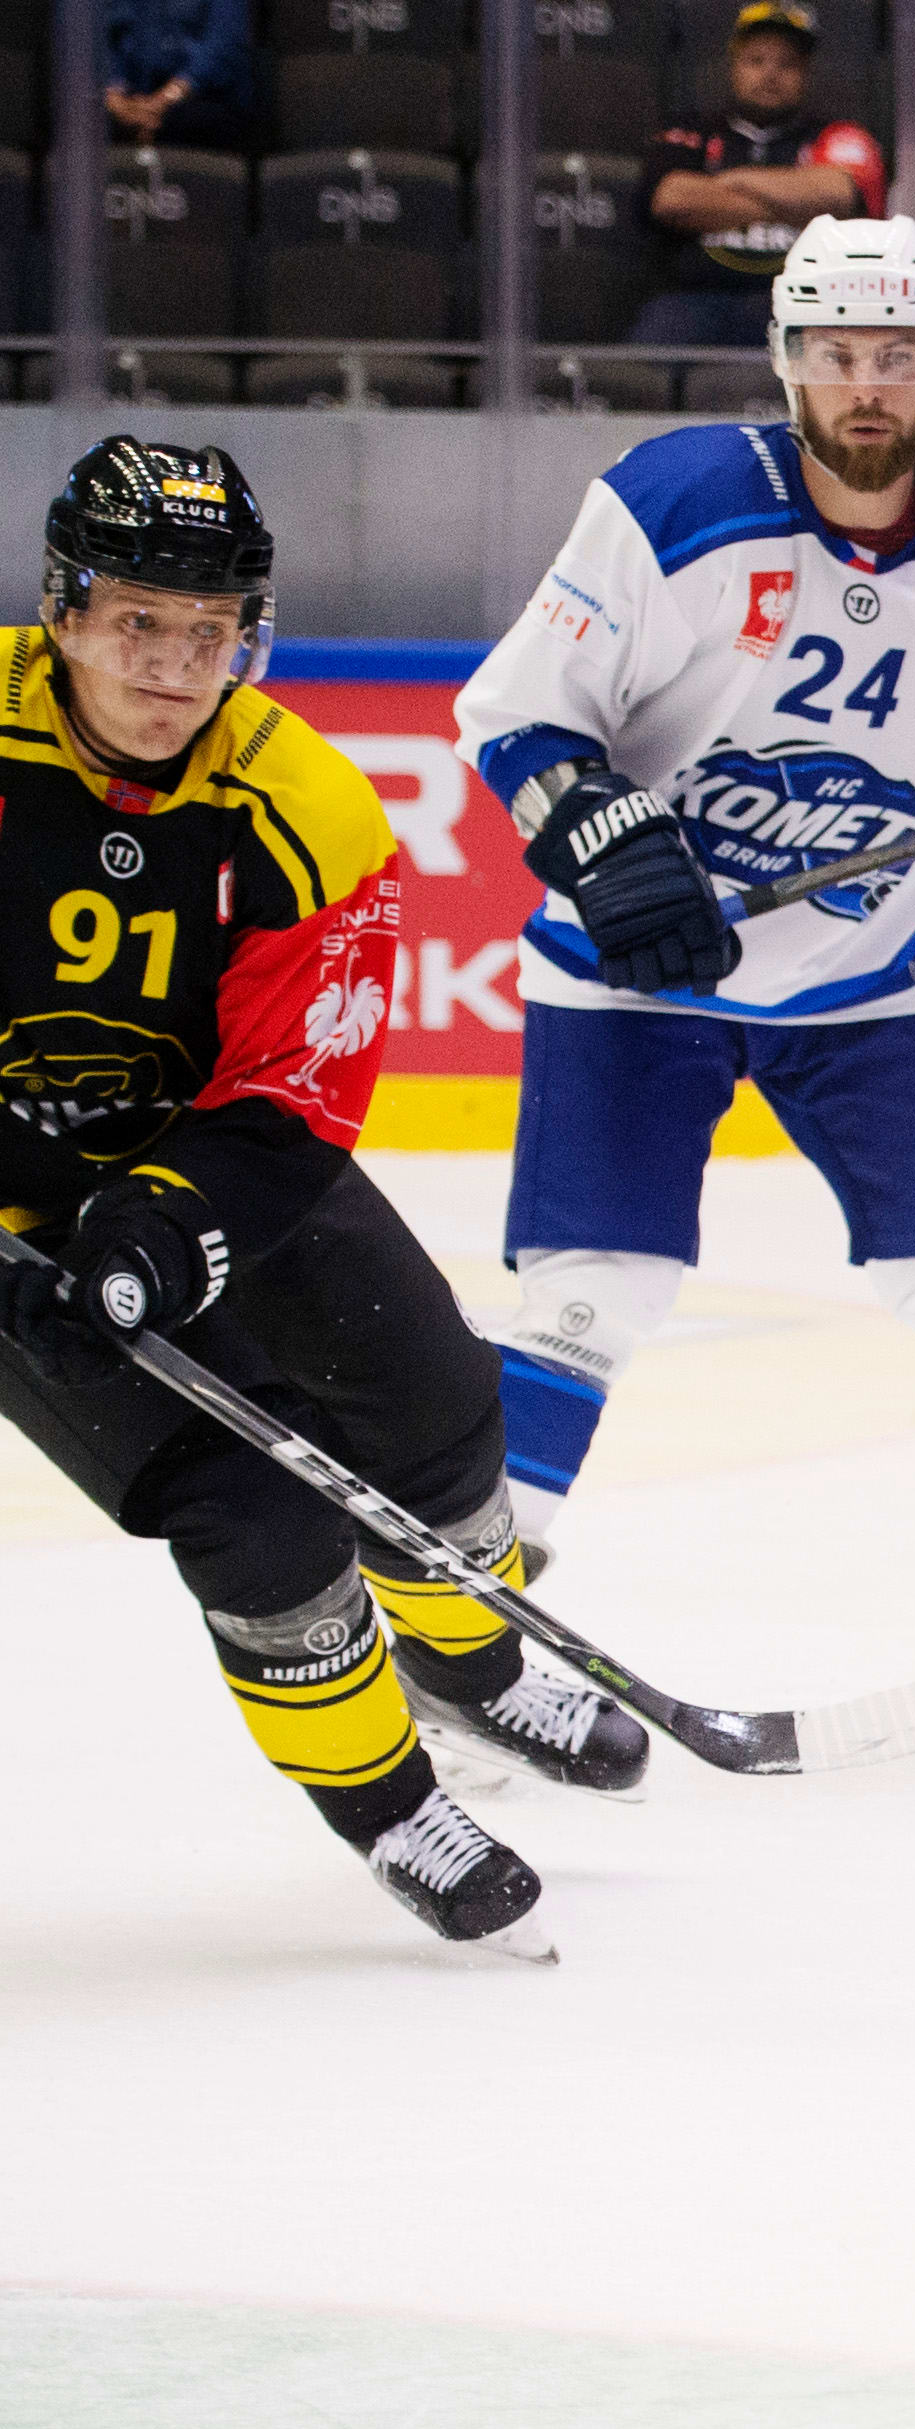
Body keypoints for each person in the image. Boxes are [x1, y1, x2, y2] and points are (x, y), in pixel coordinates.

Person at [456, 220, 915, 1760]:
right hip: (638, 970)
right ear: (788, 362)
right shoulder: (672, 503)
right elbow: (518, 716)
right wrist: (599, 837)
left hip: (873, 968)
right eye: (839, 354)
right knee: (591, 1297)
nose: (868, 385)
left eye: (898, 356)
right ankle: (465, 1624)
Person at [0, 442, 634, 1959]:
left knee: (439, 1408)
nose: (173, 666)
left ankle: (471, 1660)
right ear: (63, 610)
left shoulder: (310, 805)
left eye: (208, 630)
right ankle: (391, 1805)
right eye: (137, 621)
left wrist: (164, 1224)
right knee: (253, 1511)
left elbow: (295, 1095)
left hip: (205, 1160)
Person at [637, 0, 892, 351]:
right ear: (733, 67)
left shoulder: (837, 134)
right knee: (647, 357)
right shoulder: (692, 129)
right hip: (694, 298)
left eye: (786, 64)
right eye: (756, 61)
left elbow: (841, 196)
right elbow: (671, 200)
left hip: (808, 303)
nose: (770, 74)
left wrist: (730, 181)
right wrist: (796, 202)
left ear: (806, 73)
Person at [102, 0, 254, 151]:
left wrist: (160, 103)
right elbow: (110, 40)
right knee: (96, 117)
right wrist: (116, 101)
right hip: (135, 98)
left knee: (186, 121)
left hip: (205, 98)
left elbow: (221, 49)